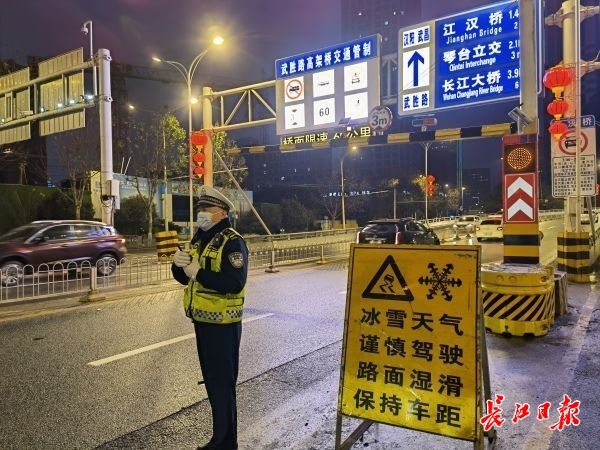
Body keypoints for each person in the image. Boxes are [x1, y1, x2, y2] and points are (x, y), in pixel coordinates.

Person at [172, 185, 248, 450]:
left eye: (206, 209)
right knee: (213, 384)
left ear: (221, 212)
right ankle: (220, 439)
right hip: (203, 323)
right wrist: (178, 265)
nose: (201, 213)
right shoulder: (200, 238)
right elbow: (186, 278)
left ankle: (225, 443)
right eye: (200, 209)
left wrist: (198, 272)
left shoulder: (232, 241)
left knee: (223, 386)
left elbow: (235, 282)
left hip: (224, 326)